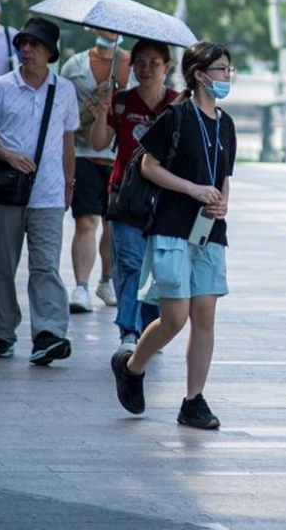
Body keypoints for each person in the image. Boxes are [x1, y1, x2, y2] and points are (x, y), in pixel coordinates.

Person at [110, 42, 238, 430]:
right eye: (220, 70)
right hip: (171, 228)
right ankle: (132, 366)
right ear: (199, 74)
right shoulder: (176, 117)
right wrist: (192, 190)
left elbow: (224, 175)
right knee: (175, 318)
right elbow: (149, 166)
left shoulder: (226, 123)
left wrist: (222, 203)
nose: (226, 77)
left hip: (209, 231)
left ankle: (193, 401)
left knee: (205, 316)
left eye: (229, 70)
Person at [0, 17, 79, 364]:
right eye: (23, 43)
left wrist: (68, 185)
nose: (27, 49)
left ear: (50, 53)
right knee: (1, 265)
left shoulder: (64, 91)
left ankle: (49, 333)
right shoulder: (2, 87)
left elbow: (68, 142)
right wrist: (7, 155)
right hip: (6, 190)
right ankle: (1, 334)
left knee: (46, 266)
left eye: (35, 44)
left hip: (48, 194)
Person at [90, 38, 177, 349]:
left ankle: (151, 329)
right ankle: (129, 330)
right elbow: (99, 143)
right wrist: (102, 111)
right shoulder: (121, 101)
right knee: (129, 261)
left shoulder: (177, 104)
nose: (146, 68)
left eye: (154, 62)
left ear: (168, 67)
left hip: (166, 197)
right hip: (125, 195)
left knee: (156, 266)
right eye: (140, 62)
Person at [59, 29, 132, 313]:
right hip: (83, 153)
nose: (108, 32)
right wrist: (92, 103)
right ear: (90, 28)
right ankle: (81, 286)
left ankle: (107, 279)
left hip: (119, 156)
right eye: (102, 26)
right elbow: (62, 112)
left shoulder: (133, 65)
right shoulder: (74, 67)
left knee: (112, 224)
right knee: (85, 221)